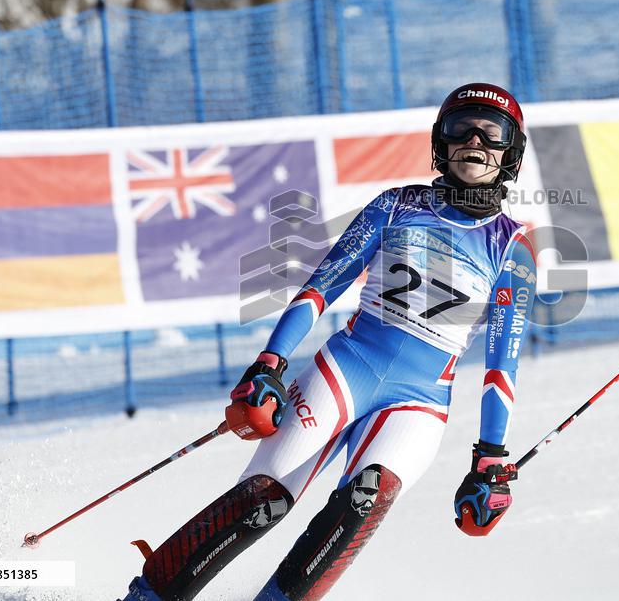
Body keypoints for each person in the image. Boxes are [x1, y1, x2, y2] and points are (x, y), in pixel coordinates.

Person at [121, 83, 537, 601]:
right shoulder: (395, 206)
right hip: (346, 368)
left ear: (511, 151)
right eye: (461, 127)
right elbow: (321, 288)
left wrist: (491, 459)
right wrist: (269, 365)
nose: (474, 141)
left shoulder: (513, 247)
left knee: (365, 500)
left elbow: (502, 366)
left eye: (491, 132)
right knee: (262, 500)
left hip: (420, 400)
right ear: (441, 142)